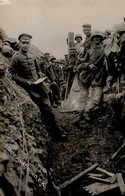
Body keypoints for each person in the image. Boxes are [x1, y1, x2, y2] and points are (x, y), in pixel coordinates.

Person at [9, 33, 66, 142]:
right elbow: (12, 74)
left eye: (28, 43)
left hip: (40, 85)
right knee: (44, 110)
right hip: (30, 88)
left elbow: (38, 69)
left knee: (48, 109)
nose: (25, 45)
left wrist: (41, 75)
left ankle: (56, 133)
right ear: (19, 43)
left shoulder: (32, 55)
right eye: (23, 43)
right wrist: (25, 82)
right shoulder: (16, 58)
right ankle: (55, 135)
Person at [78, 30, 106, 121]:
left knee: (97, 97)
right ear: (92, 39)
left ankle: (88, 112)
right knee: (88, 96)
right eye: (95, 37)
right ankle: (85, 114)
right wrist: (89, 65)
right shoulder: (89, 51)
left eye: (98, 37)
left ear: (101, 39)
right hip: (89, 77)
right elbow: (82, 63)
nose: (96, 39)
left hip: (100, 76)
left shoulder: (105, 50)